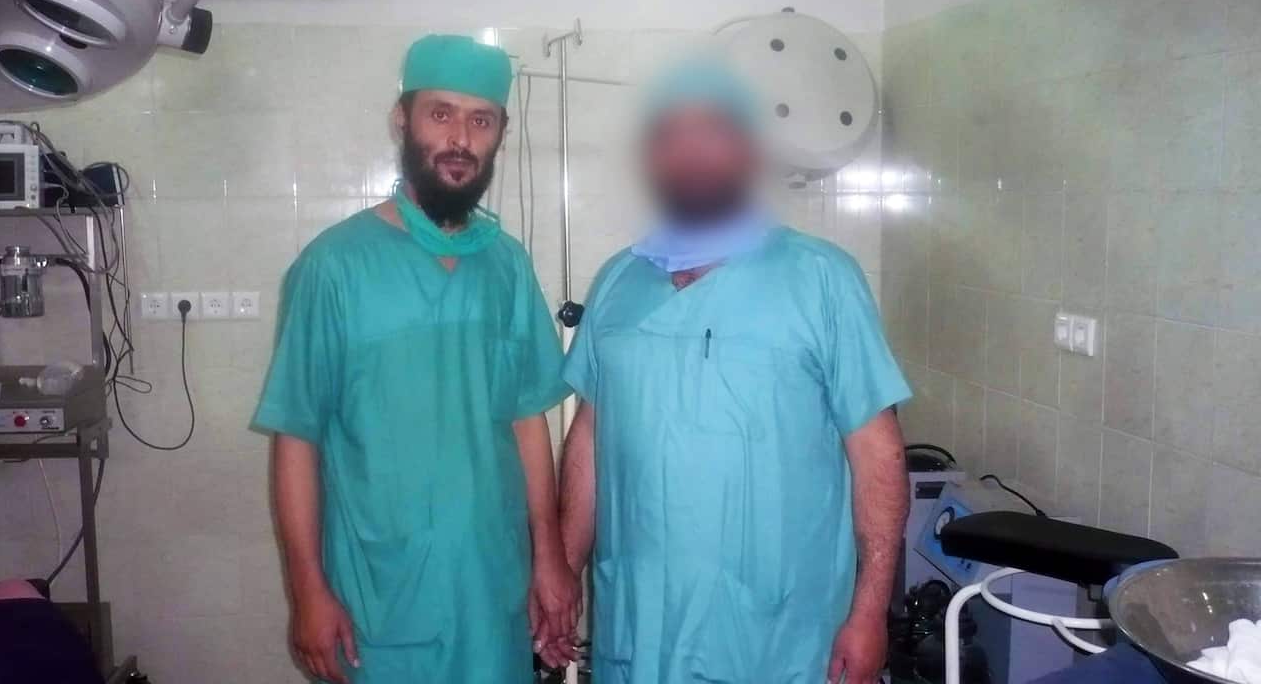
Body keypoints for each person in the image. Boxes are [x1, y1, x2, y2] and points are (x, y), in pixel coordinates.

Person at [556, 56, 913, 684]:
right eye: (672, 135)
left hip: (779, 636)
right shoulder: (618, 280)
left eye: (713, 130)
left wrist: (870, 611)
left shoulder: (821, 278)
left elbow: (878, 458)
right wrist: (563, 564)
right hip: (640, 631)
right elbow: (588, 436)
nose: (692, 152)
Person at [254, 34, 579, 684]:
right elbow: (298, 437)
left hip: (492, 583)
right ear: (403, 120)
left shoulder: (506, 265)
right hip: (378, 591)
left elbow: (526, 420)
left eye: (480, 120)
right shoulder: (334, 266)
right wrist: (308, 590)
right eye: (441, 113)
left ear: (499, 136)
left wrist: (548, 556)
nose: (460, 136)